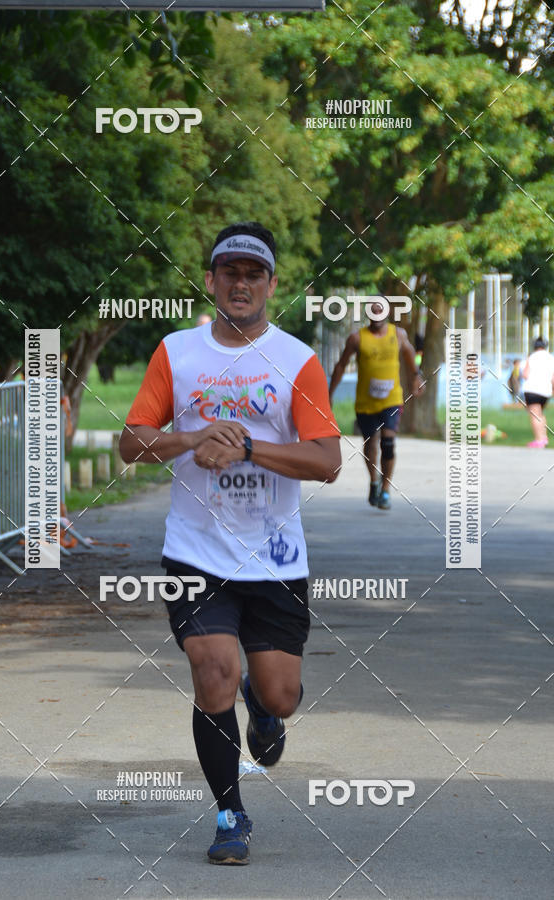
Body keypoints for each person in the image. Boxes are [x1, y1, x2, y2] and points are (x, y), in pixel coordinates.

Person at [119, 222, 341, 865]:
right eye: (229, 272)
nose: (240, 284)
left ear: (272, 284)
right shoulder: (177, 353)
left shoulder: (296, 360)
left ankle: (264, 713)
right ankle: (229, 813)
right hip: (195, 551)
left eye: (253, 274)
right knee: (213, 670)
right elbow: (131, 443)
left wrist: (247, 445)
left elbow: (326, 460)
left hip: (274, 557)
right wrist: (189, 438)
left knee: (278, 694)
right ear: (211, 279)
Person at [328, 299, 423, 510]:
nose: (377, 311)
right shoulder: (357, 338)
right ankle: (374, 481)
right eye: (373, 308)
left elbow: (409, 355)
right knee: (371, 444)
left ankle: (386, 490)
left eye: (381, 308)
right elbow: (341, 365)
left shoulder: (398, 335)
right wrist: (330, 393)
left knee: (388, 443)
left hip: (392, 400)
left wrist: (416, 375)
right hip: (365, 402)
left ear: (387, 311)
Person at [522, 337, 554, 448]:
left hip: (532, 390)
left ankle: (539, 439)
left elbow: (525, 375)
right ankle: (544, 437)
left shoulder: (532, 357)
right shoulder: (551, 358)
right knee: (540, 414)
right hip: (546, 391)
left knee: (535, 415)